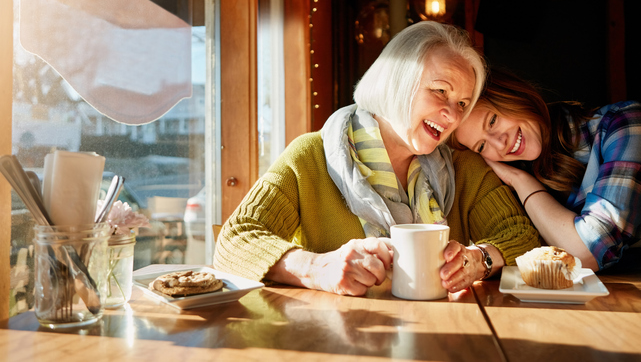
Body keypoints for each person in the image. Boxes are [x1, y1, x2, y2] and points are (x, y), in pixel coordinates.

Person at [214, 22, 540, 296]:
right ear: (396, 81)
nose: (451, 114)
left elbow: (522, 237)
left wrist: (479, 258)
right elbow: (235, 240)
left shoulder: (463, 166)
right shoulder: (309, 155)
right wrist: (316, 267)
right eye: (441, 91)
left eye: (462, 103)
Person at [451, 67, 641, 272]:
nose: (499, 143)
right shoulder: (513, 169)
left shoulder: (626, 124)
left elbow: (586, 253)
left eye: (492, 120)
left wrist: (521, 182)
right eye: (482, 145)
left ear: (515, 95)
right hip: (581, 306)